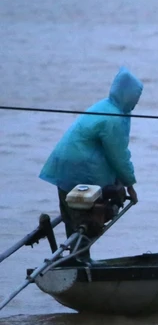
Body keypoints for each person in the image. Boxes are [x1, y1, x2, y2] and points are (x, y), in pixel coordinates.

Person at [39, 67, 142, 239]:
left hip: (63, 167)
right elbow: (118, 155)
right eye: (135, 99)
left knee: (72, 219)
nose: (136, 103)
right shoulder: (114, 119)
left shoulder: (104, 105)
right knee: (87, 225)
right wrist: (129, 184)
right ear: (129, 96)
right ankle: (81, 261)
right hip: (80, 171)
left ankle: (75, 260)